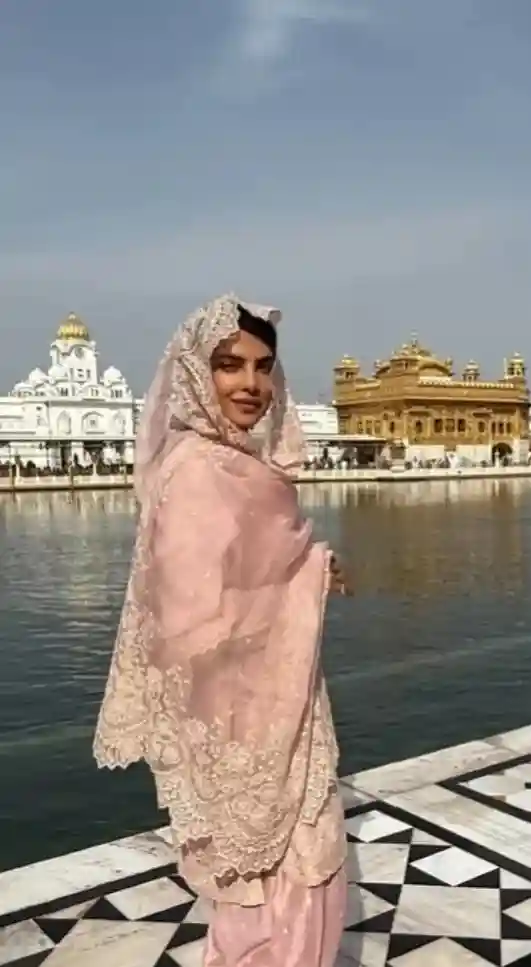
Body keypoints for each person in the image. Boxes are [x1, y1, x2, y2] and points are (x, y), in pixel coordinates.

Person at [93, 294, 347, 966]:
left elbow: (258, 570)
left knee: (290, 885)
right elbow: (189, 620)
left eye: (264, 367)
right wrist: (297, 586)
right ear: (192, 372)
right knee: (275, 899)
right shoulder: (199, 471)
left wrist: (311, 570)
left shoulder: (237, 465)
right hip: (239, 724)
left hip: (276, 709)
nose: (250, 384)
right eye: (229, 365)